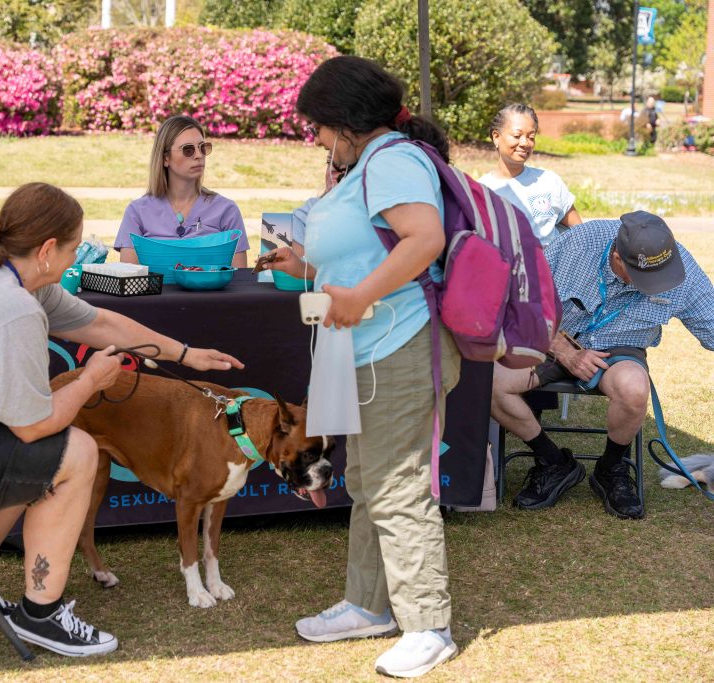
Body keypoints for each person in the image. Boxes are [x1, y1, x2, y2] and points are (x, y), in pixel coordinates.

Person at [0, 182, 243, 657]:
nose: (76, 260)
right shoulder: (13, 308)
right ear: (48, 250)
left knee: (10, 453)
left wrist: (186, 354)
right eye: (74, 249)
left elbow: (100, 323)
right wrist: (91, 381)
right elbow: (34, 428)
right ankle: (42, 612)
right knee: (75, 451)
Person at [261, 56, 461, 678]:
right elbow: (365, 254)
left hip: (399, 344)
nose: (315, 138)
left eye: (317, 126)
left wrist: (360, 295)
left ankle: (429, 624)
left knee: (396, 484)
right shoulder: (370, 164)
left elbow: (422, 240)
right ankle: (368, 604)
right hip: (368, 348)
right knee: (371, 481)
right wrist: (312, 272)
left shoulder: (393, 161)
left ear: (346, 122)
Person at [491, 211, 714, 519]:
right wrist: (562, 349)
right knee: (492, 382)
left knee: (635, 389)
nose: (656, 286)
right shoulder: (579, 242)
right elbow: (517, 294)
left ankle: (610, 470)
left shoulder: (679, 268)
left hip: (619, 346)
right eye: (646, 278)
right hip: (553, 336)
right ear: (618, 257)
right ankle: (554, 463)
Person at [114, 115, 248, 267]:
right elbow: (128, 277)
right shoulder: (137, 212)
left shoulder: (227, 210)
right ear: (165, 158)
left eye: (203, 147)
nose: (199, 155)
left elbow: (240, 280)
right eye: (188, 150)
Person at [479, 104, 582, 247]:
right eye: (517, 135)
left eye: (531, 137)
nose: (525, 143)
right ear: (496, 137)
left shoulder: (549, 181)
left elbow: (580, 231)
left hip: (549, 267)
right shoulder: (482, 191)